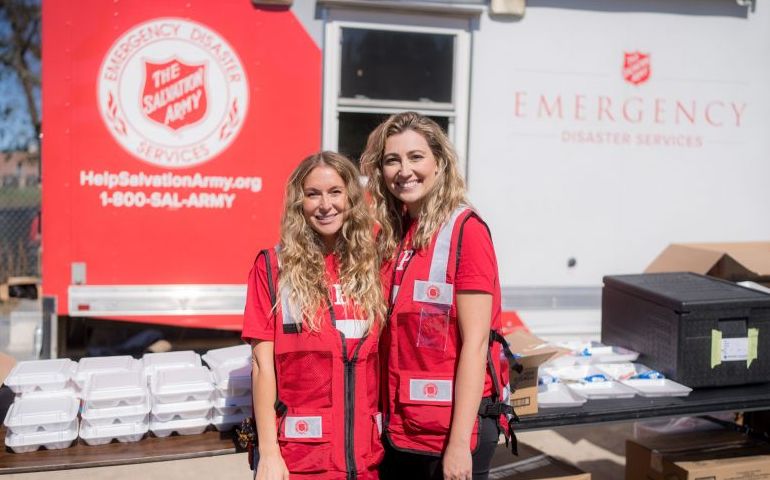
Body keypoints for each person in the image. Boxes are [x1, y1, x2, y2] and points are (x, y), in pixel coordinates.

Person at [360, 112, 516, 480]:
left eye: (416, 157)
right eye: (392, 160)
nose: (404, 170)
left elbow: (476, 344)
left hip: (451, 433)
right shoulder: (395, 234)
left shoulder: (465, 231)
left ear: (439, 162)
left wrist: (459, 444)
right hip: (403, 429)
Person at [242, 152, 386, 480]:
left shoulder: (371, 265)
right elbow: (262, 366)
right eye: (313, 194)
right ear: (299, 203)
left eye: (335, 192)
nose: (325, 205)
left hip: (365, 461)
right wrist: (268, 454)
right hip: (301, 460)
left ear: (350, 198)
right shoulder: (271, 267)